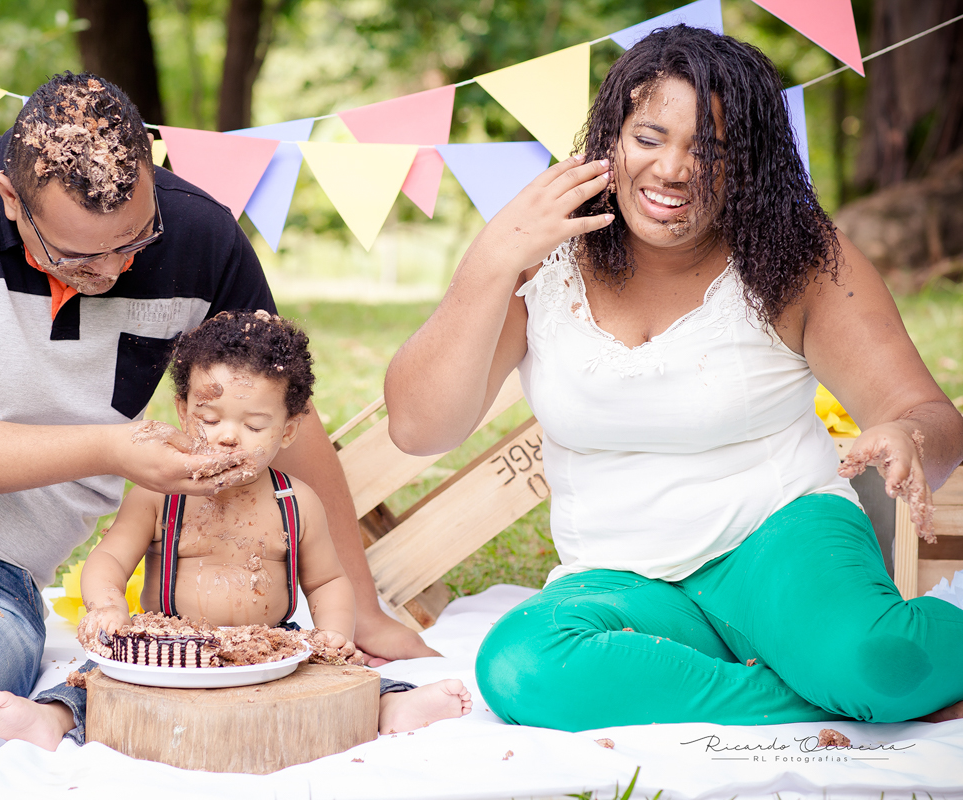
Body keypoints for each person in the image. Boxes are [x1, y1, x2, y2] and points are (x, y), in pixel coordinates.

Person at [0, 72, 433, 759]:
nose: (112, 271)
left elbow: (285, 414)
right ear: (10, 198)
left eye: (135, 240)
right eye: (78, 255)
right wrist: (111, 450)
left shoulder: (203, 238)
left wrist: (363, 607)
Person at [383, 25, 963, 731]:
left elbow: (927, 414)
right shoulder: (541, 261)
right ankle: (808, 693)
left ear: (750, 164)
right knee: (522, 665)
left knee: (878, 662)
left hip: (781, 539)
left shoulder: (799, 258)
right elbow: (418, 428)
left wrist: (907, 437)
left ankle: (844, 674)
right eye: (649, 138)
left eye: (710, 151)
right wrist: (493, 257)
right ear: (611, 140)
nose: (672, 169)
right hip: (622, 580)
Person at [0, 310, 472, 749]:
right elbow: (109, 558)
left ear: (288, 429)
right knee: (98, 678)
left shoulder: (295, 502)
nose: (229, 436)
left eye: (254, 426)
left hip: (272, 647)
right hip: (166, 649)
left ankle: (390, 708)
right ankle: (53, 719)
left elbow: (326, 580)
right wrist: (107, 605)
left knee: (340, 677)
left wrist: (333, 635)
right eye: (209, 418)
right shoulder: (159, 495)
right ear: (183, 411)